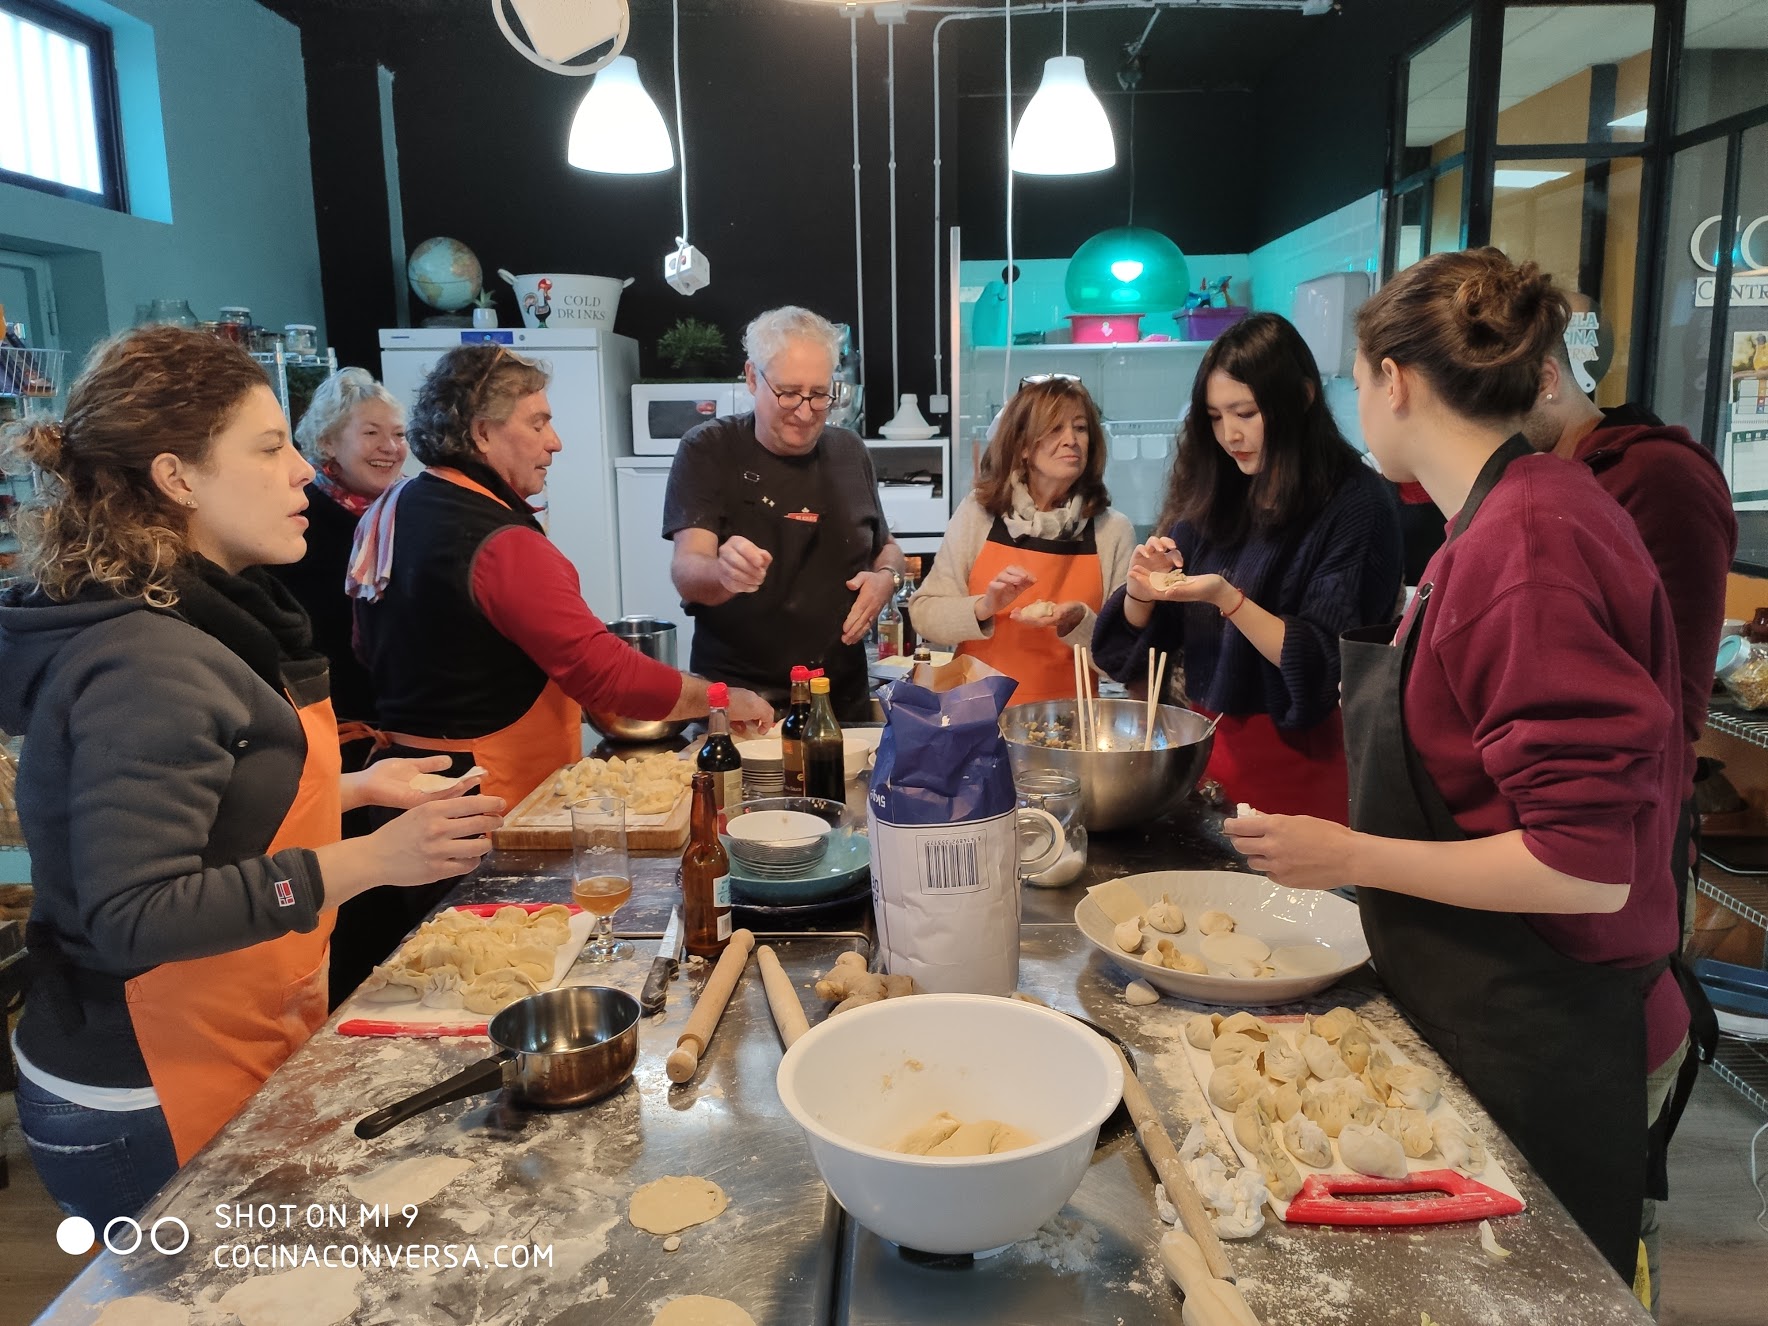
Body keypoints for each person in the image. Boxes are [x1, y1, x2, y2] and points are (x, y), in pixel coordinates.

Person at [1225, 249, 1690, 1294]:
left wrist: (1345, 853)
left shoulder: (1528, 544)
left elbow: (1585, 867)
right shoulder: (1488, 522)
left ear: (1394, 380)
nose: (1359, 405)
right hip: (1491, 1001)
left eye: (1356, 382)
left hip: (1546, 1028)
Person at [0, 326, 502, 1224]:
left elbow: (208, 805)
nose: (304, 472)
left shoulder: (207, 615)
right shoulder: (145, 658)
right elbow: (133, 915)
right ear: (176, 477)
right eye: (269, 450)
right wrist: (372, 860)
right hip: (146, 1088)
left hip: (226, 1036)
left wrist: (343, 793)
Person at [346, 344, 769, 999]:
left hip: (400, 799)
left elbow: (366, 648)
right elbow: (608, 677)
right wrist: (720, 696)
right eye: (538, 422)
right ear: (482, 432)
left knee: (435, 994)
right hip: (486, 812)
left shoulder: (388, 512)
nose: (557, 441)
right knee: (498, 992)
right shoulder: (504, 544)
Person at [1090, 312, 1402, 819]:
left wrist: (1227, 599)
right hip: (1205, 754)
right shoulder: (1217, 491)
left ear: (1300, 398)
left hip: (1305, 763)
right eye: (1215, 417)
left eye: (1245, 413)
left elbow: (1327, 663)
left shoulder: (1355, 502)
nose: (1230, 434)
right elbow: (1125, 655)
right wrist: (1142, 593)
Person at [1522, 334, 1738, 927]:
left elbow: (1673, 696)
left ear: (1546, 379)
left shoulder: (1656, 474)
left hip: (1622, 832)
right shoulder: (1537, 477)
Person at [666, 306, 908, 720]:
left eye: (819, 394)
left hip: (840, 701)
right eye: (789, 393)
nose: (805, 410)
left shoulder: (850, 451)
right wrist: (724, 575)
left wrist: (887, 579)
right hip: (743, 705)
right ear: (752, 377)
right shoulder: (708, 449)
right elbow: (688, 573)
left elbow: (886, 548)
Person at [908, 374, 1134, 703]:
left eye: (1080, 428)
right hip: (976, 723)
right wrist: (985, 607)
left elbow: (1125, 662)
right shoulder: (979, 513)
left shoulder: (1112, 531)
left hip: (1068, 729)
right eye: (1055, 428)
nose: (1071, 439)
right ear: (1024, 447)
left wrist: (1080, 624)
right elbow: (925, 614)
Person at [266, 367, 408, 765]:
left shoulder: (407, 511)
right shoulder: (299, 520)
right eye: (371, 433)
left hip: (399, 726)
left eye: (398, 434)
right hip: (333, 736)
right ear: (327, 442)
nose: (391, 448)